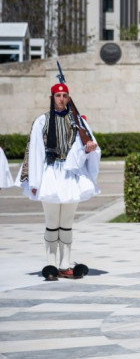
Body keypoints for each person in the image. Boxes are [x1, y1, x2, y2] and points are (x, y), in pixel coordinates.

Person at [16, 82, 100, 281]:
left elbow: (91, 145)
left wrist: (89, 148)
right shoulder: (42, 121)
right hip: (51, 174)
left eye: (65, 95)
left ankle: (65, 263)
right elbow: (34, 152)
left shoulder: (78, 122)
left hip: (71, 176)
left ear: (69, 98)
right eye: (58, 95)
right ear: (52, 98)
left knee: (67, 223)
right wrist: (34, 182)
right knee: (52, 222)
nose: (61, 99)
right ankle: (51, 263)